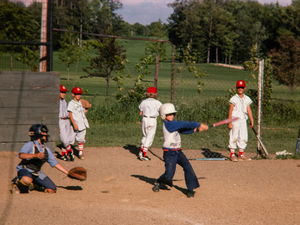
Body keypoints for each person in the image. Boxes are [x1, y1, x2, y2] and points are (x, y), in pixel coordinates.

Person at [152, 103, 209, 198]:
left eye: (173, 114)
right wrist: (199, 124)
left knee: (188, 167)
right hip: (169, 153)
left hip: (178, 151)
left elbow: (183, 130)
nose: (172, 116)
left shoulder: (173, 124)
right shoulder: (168, 124)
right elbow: (183, 124)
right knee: (169, 175)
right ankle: (158, 181)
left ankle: (190, 189)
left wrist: (195, 130)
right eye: (169, 114)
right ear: (163, 115)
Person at [11, 124, 70, 194]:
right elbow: (21, 155)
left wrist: (68, 173)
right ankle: (17, 182)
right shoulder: (30, 144)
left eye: (46, 133)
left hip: (36, 172)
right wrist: (35, 155)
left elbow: (55, 163)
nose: (46, 134)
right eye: (43, 132)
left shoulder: (46, 149)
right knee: (27, 180)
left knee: (52, 189)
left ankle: (34, 184)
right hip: (25, 170)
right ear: (37, 133)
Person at [228, 80, 254, 162]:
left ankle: (241, 154)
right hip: (235, 119)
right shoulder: (234, 98)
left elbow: (249, 110)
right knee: (234, 136)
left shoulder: (247, 98)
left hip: (243, 120)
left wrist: (251, 119)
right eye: (239, 87)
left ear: (244, 88)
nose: (240, 89)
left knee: (243, 136)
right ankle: (232, 154)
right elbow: (230, 110)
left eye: (242, 87)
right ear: (236, 88)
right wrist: (229, 121)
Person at [138, 87, 162, 161]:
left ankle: (141, 151)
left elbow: (140, 113)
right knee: (150, 137)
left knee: (145, 135)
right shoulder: (157, 102)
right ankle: (144, 154)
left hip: (144, 119)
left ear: (147, 94)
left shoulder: (143, 102)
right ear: (155, 94)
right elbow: (162, 110)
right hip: (152, 120)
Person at [67, 87, 89, 160]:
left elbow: (82, 113)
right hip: (75, 124)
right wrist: (74, 124)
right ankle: (68, 152)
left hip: (82, 124)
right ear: (73, 94)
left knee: (81, 139)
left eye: (79, 94)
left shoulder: (80, 102)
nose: (78, 95)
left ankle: (80, 153)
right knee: (71, 140)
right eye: (77, 94)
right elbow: (70, 114)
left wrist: (87, 109)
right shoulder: (71, 103)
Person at [59, 85, 74, 161]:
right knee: (64, 140)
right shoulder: (56, 102)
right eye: (62, 92)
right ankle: (70, 151)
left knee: (67, 138)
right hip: (60, 120)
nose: (63, 94)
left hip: (67, 120)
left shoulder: (64, 100)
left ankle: (63, 154)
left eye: (64, 92)